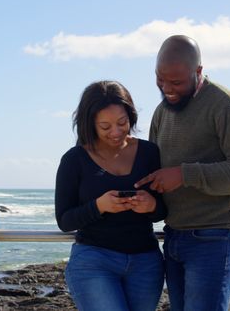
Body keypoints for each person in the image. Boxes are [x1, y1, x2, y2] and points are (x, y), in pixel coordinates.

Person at [135, 35, 230, 311]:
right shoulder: (161, 113)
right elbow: (157, 171)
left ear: (199, 72)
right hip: (174, 236)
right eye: (160, 79)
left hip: (216, 237)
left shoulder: (226, 105)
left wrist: (183, 174)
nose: (167, 89)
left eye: (177, 82)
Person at [55, 80, 167, 311]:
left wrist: (151, 205)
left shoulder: (149, 153)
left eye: (122, 122)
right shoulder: (74, 160)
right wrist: (99, 206)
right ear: (90, 124)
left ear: (131, 116)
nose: (116, 132)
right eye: (105, 127)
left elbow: (164, 210)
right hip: (94, 261)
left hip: (146, 262)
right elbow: (64, 220)